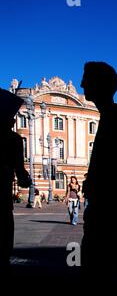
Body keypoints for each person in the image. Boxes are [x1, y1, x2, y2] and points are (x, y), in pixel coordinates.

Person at [80, 62, 117, 274]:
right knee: (102, 259)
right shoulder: (111, 116)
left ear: (99, 84)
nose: (81, 83)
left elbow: (115, 165)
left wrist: (96, 189)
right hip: (106, 203)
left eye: (87, 79)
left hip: (106, 204)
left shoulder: (115, 118)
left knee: (101, 262)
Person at [0, 88, 32, 270]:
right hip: (2, 198)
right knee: (4, 242)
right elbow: (21, 175)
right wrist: (25, 180)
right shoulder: (14, 140)